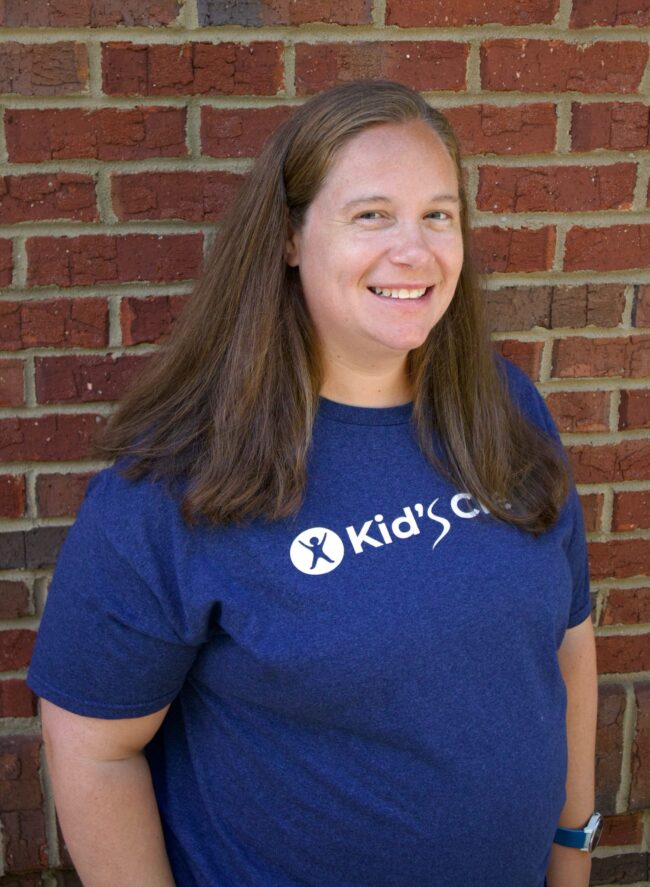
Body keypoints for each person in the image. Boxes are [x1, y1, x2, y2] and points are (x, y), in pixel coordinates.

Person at [28, 80, 598, 887]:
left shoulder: (507, 410)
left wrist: (573, 848)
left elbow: (568, 647)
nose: (415, 249)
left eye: (438, 213)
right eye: (372, 215)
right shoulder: (178, 480)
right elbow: (93, 746)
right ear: (290, 237)